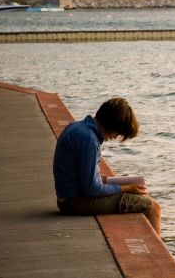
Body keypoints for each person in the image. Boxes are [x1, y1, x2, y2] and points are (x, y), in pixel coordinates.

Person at [53, 97, 162, 236]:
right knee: (152, 207)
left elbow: (86, 178)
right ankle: (156, 255)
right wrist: (126, 188)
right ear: (113, 127)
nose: (115, 137)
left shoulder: (77, 127)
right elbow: (92, 188)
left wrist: (121, 184)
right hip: (74, 202)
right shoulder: (89, 140)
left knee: (135, 193)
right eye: (118, 133)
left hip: (67, 197)